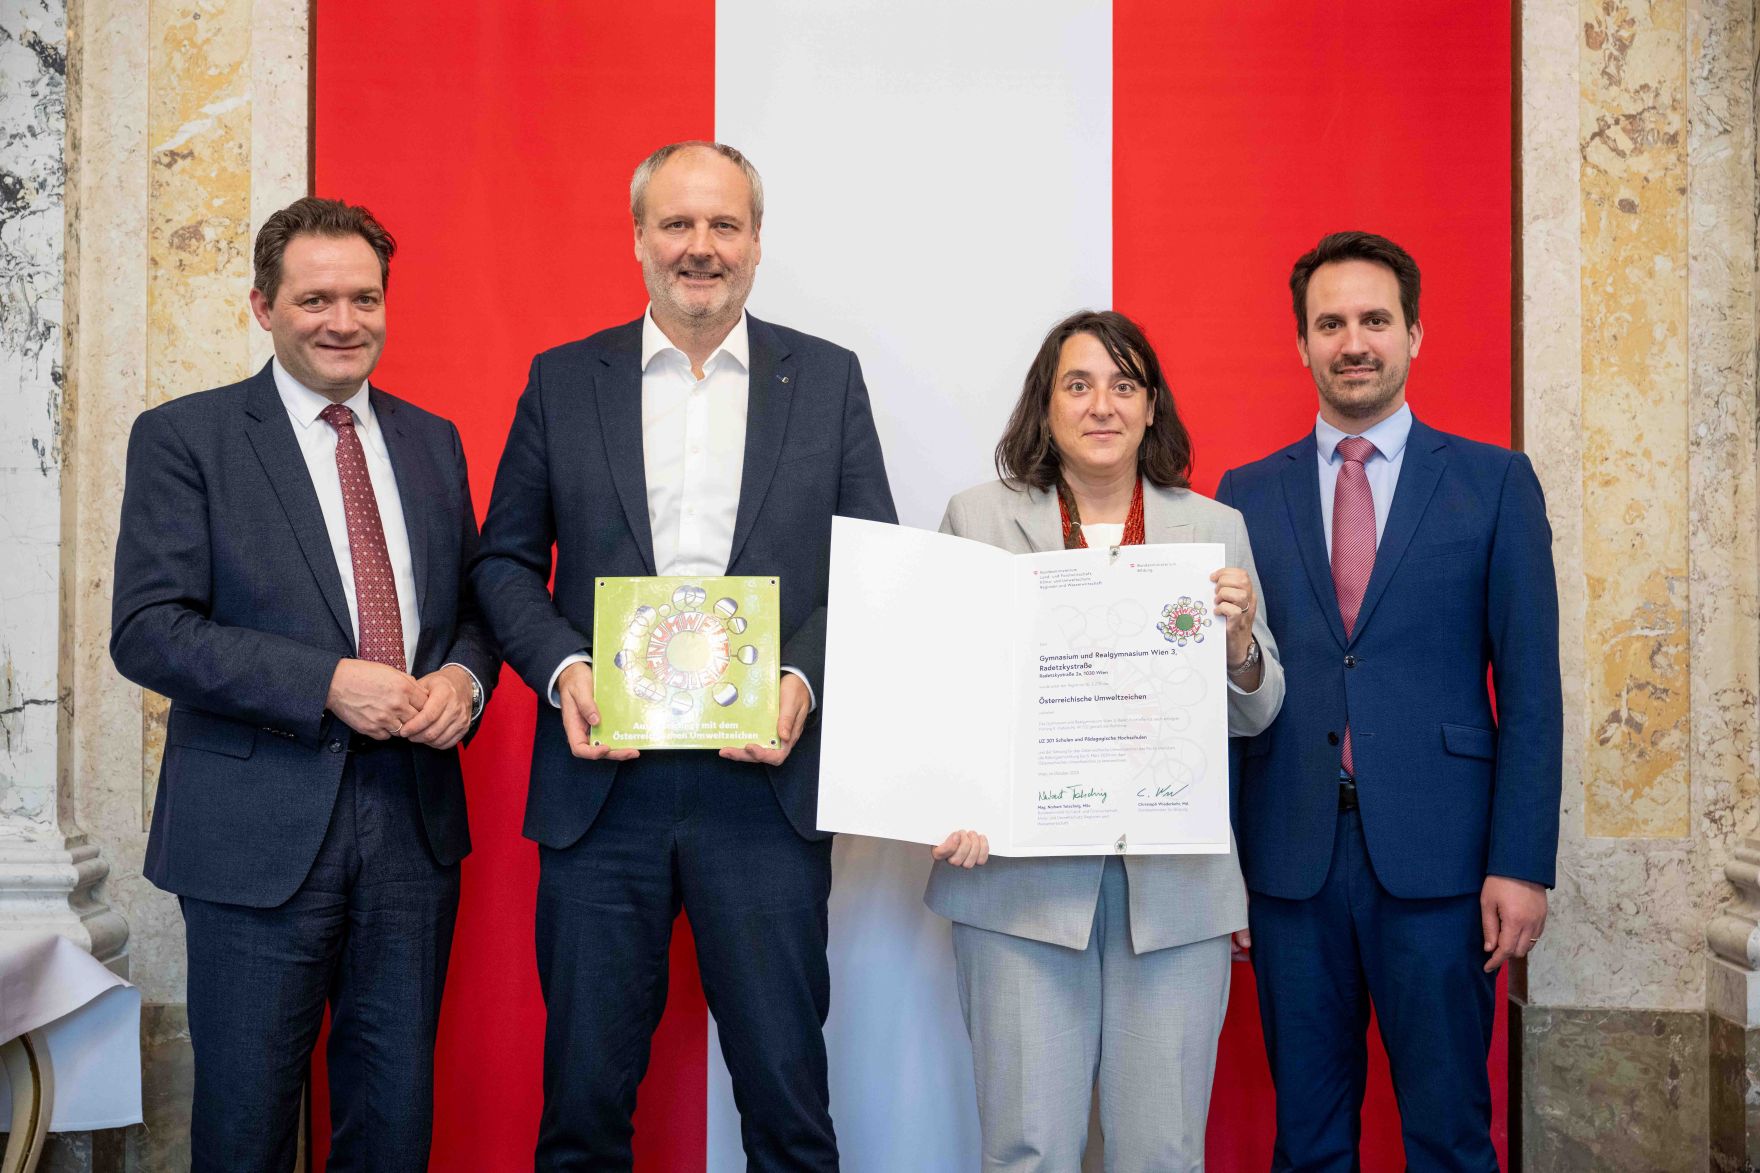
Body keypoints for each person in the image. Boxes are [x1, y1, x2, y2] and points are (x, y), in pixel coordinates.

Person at [471, 140, 896, 1171]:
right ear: (637, 239)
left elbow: (870, 562)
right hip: (599, 793)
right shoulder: (563, 380)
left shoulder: (826, 379)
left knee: (789, 1108)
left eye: (722, 225)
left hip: (764, 794)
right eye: (676, 224)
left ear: (754, 242)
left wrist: (797, 682)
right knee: (581, 1108)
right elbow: (502, 565)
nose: (698, 247)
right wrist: (567, 672)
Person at [110, 197, 499, 1173]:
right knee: (244, 1129)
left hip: (410, 829)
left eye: (363, 297)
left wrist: (462, 674)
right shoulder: (185, 438)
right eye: (315, 297)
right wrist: (325, 681)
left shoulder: (429, 440)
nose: (343, 320)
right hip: (254, 832)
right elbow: (148, 630)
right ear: (261, 306)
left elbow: (467, 607)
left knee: (392, 1119)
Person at [1215, 231, 1561, 1170]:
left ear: (1415, 332)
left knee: (1451, 1135)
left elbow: (1532, 692)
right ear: (1302, 343)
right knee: (1308, 1140)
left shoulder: (1494, 484)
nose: (1353, 340)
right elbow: (1225, 694)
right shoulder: (1242, 498)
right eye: (1331, 323)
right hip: (1291, 866)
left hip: (1447, 871)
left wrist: (1522, 864)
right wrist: (1225, 868)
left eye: (1374, 319)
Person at [925, 309, 1284, 1171]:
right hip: (1016, 887)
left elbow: (1260, 710)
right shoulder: (975, 519)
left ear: (1152, 406)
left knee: (1160, 1152)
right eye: (1077, 384)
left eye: (1124, 386)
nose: (1102, 406)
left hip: (1175, 893)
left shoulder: (1213, 529)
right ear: (1044, 405)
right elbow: (939, 690)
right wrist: (955, 800)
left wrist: (1236, 644)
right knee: (1028, 1149)